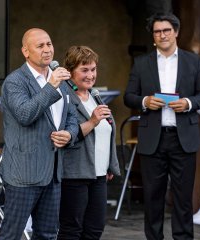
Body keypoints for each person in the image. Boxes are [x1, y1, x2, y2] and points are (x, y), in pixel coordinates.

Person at [124, 13, 200, 240]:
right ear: (153, 36)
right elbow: (129, 96)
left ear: (176, 32)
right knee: (153, 197)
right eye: (157, 31)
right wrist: (145, 101)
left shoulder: (193, 61)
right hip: (153, 138)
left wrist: (188, 103)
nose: (162, 35)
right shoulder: (142, 63)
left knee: (183, 199)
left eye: (166, 30)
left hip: (183, 138)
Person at [0, 28, 79, 240]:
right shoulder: (15, 81)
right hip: (23, 174)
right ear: (26, 51)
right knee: (11, 235)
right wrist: (51, 87)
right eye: (40, 46)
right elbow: (25, 114)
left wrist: (69, 135)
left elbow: (71, 116)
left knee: (48, 235)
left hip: (52, 172)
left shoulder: (60, 79)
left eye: (49, 44)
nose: (47, 50)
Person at [53, 46, 120, 240]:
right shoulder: (63, 97)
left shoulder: (94, 95)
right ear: (71, 70)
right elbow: (66, 135)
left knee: (94, 229)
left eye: (93, 69)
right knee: (71, 229)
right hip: (74, 174)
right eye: (84, 70)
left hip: (99, 174)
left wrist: (109, 164)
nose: (90, 75)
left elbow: (106, 133)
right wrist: (92, 121)